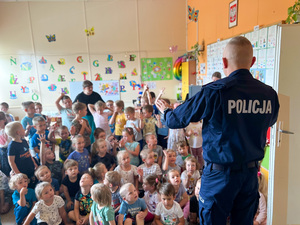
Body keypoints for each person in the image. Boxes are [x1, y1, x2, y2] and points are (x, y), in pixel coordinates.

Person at [156, 36, 279, 225]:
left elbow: (175, 120)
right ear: (252, 62)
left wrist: (164, 111)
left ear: (223, 62)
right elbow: (270, 121)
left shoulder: (214, 91)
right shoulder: (269, 94)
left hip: (219, 176)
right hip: (250, 175)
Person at [6, 122, 38, 189]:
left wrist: (34, 163)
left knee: (33, 184)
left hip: (30, 168)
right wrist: (18, 173)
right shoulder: (12, 146)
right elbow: (11, 162)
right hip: (22, 171)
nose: (24, 130)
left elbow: (28, 153)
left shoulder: (24, 141)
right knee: (25, 186)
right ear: (18, 132)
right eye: (23, 129)